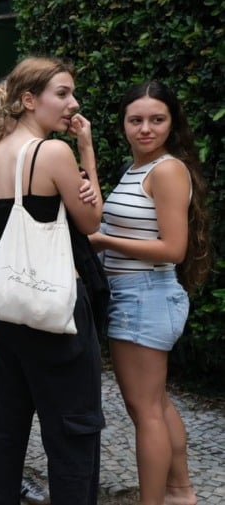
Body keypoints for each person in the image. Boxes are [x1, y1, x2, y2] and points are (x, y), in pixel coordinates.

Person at [0, 56, 104, 504]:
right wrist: (87, 152)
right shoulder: (53, 152)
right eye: (63, 93)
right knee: (73, 432)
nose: (73, 104)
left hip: (8, 307)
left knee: (3, 429)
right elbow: (91, 222)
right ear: (29, 99)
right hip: (55, 310)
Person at [89, 81, 210, 505]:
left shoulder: (167, 170)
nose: (145, 128)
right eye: (135, 120)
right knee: (156, 403)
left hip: (144, 295)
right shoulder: (137, 168)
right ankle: (180, 492)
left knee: (146, 412)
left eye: (156, 119)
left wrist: (105, 243)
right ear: (123, 123)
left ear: (172, 123)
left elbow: (173, 249)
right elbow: (105, 215)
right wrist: (85, 145)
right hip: (140, 296)